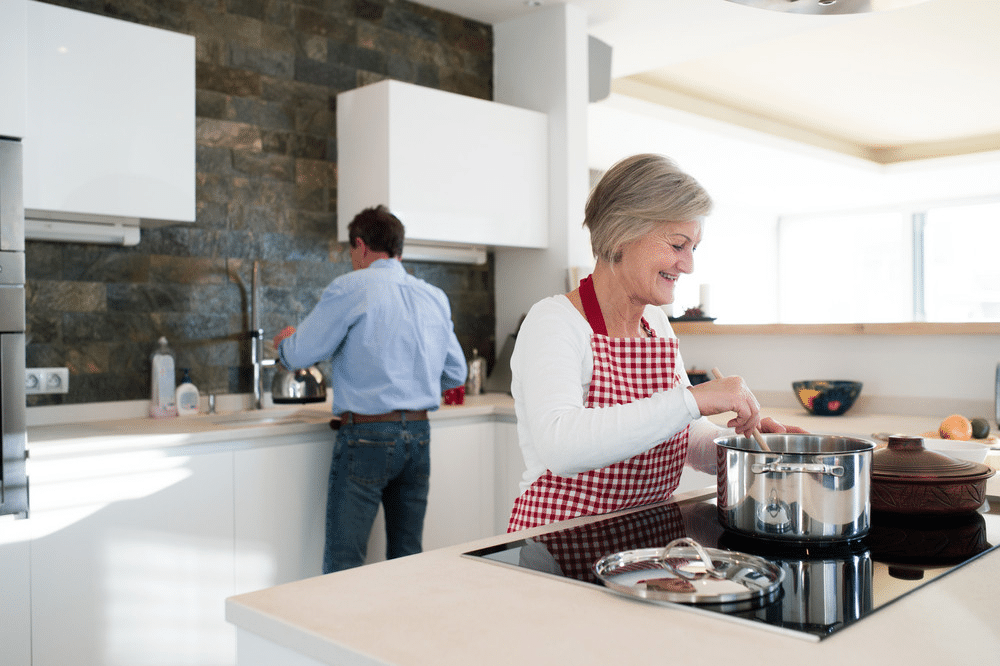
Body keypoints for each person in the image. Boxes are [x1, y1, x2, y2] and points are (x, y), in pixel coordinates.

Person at [507, 153, 804, 532]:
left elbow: (679, 435)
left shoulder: (656, 324)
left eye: (693, 248)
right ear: (621, 233)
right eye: (678, 245)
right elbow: (562, 447)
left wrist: (742, 450)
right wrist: (692, 399)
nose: (688, 265)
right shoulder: (554, 322)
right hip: (561, 541)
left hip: (643, 536)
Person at [274, 205, 468, 572]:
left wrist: (285, 344)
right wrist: (417, 380)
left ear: (361, 247)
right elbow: (455, 373)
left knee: (345, 563)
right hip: (419, 436)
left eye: (351, 252)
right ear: (398, 249)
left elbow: (301, 354)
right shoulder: (433, 296)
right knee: (407, 558)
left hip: (367, 435)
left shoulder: (351, 288)